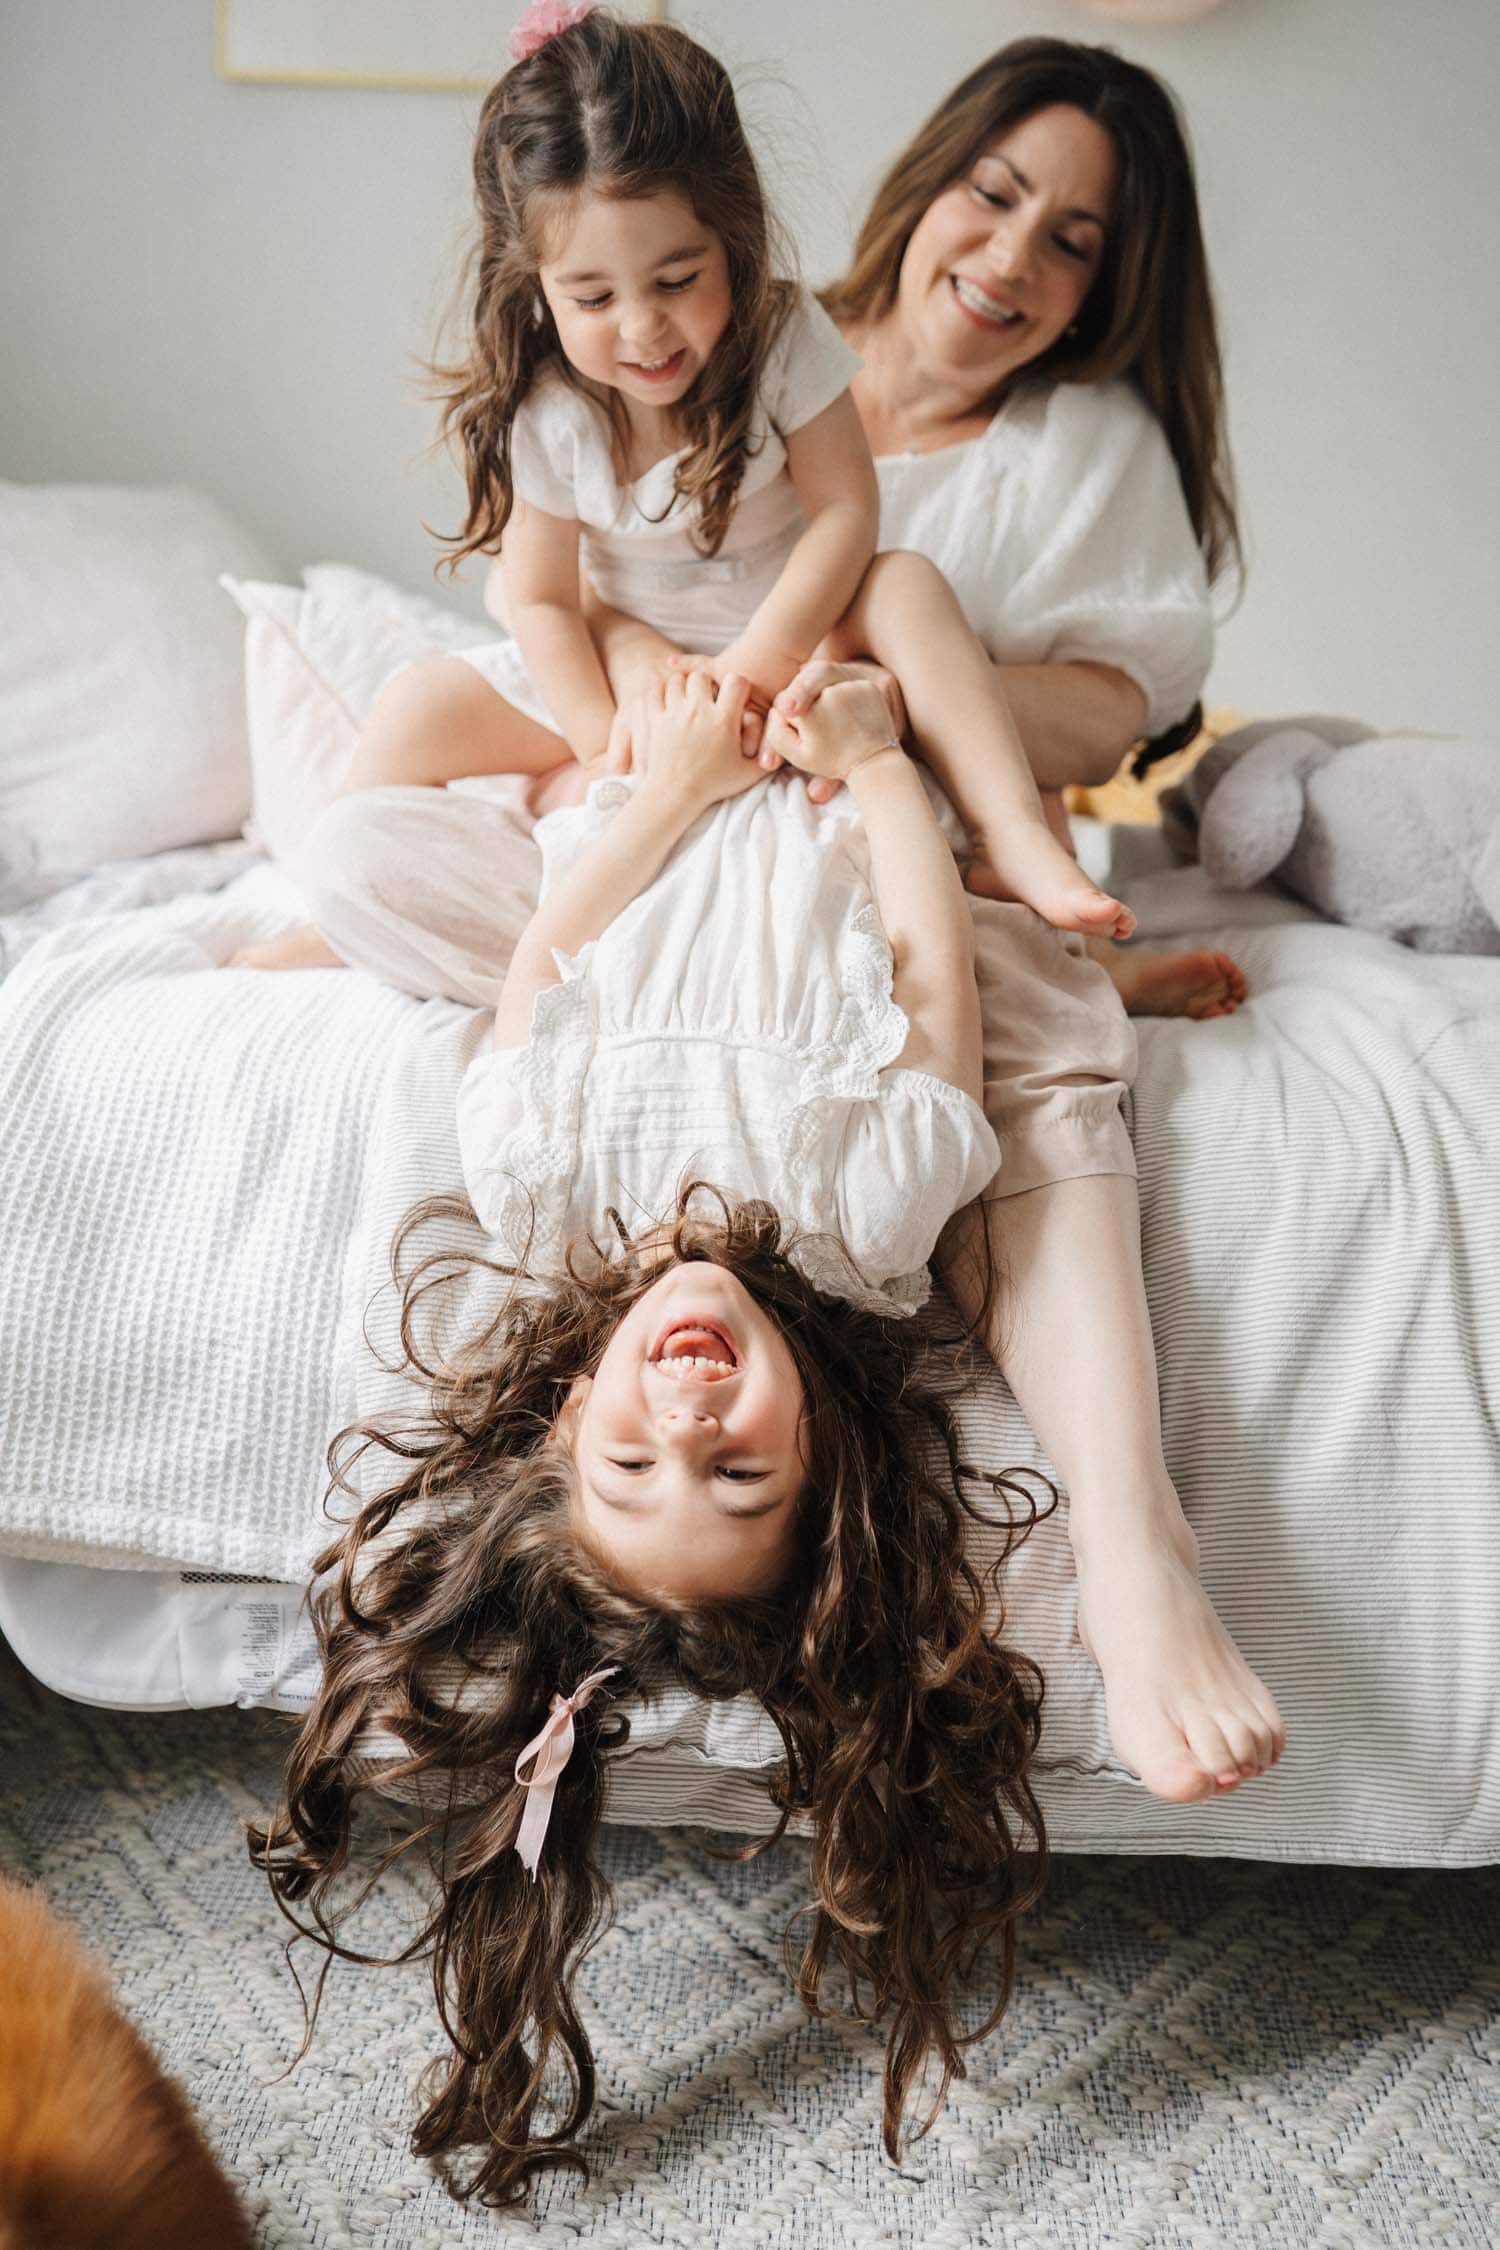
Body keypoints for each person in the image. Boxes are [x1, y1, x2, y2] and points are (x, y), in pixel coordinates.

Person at [240, 35, 1284, 1806]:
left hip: (856, 782)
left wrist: (851, 723)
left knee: (997, 1007)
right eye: (997, 194)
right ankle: (303, 922)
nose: (1015, 257)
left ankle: (1135, 1537)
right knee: (393, 775)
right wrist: (644, 723)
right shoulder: (678, 342)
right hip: (670, 784)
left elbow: (1079, 693)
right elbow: (554, 600)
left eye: (1076, 242)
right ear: (929, 178)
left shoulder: (1040, 434)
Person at [254, 669, 1058, 2205]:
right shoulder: (875, 1218)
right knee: (893, 614)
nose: (686, 1416)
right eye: (738, 1466)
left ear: (566, 1417)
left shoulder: (541, 1194)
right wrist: (880, 767)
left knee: (398, 762)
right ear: (825, 1444)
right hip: (828, 791)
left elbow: (543, 964)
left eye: (633, 1462)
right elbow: (932, 979)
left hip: (651, 788)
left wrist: (678, 781)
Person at [235, 3, 1132, 968]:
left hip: (795, 638)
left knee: (908, 583)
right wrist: (600, 738)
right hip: (638, 682)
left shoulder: (783, 339)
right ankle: (337, 920)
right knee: (413, 708)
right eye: (592, 298)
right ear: (533, 283)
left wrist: (757, 662)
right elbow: (538, 596)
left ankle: (1017, 840)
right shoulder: (550, 409)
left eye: (676, 279)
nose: (642, 329)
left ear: (734, 241)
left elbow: (845, 512)